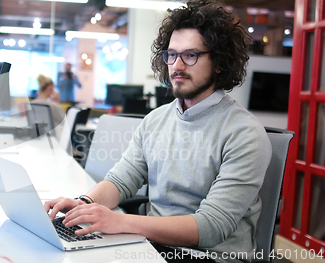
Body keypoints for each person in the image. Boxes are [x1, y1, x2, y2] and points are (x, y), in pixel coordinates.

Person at [44, 1, 272, 262]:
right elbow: (122, 179)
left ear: (219, 62)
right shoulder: (156, 120)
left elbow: (211, 227)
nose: (176, 66)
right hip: (152, 246)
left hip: (209, 256)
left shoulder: (244, 133)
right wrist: (84, 203)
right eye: (171, 55)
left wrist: (119, 221)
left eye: (190, 55)